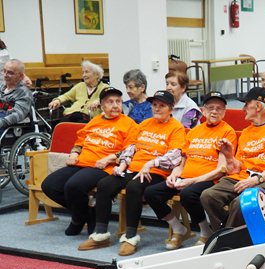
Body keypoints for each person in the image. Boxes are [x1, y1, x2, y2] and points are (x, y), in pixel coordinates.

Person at [77, 90, 185, 256]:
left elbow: (175, 155)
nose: (157, 108)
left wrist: (151, 163)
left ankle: (130, 236)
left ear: (171, 108)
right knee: (105, 184)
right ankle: (100, 234)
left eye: (162, 105)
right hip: (134, 168)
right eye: (154, 105)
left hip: (157, 172)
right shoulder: (145, 124)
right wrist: (122, 165)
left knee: (134, 187)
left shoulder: (176, 127)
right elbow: (131, 147)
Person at [144, 91, 238, 249]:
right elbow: (183, 159)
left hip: (209, 179)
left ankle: (205, 232)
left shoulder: (227, 132)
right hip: (185, 178)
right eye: (211, 108)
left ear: (224, 112)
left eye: (219, 108)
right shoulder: (194, 131)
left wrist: (191, 181)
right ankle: (178, 228)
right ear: (203, 110)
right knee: (151, 193)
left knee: (188, 194)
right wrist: (175, 174)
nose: (214, 111)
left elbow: (221, 170)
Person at [41, 87, 139, 237]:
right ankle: (86, 214)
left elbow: (131, 150)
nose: (115, 105)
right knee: (49, 185)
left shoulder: (129, 124)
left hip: (103, 166)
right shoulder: (95, 120)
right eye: (110, 102)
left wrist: (109, 158)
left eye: (118, 101)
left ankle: (77, 220)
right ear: (102, 105)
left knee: (73, 186)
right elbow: (80, 140)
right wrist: (74, 153)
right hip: (81, 162)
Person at [199, 87, 265, 232]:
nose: (243, 109)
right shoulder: (246, 131)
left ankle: (227, 238)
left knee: (241, 203)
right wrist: (229, 155)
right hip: (241, 177)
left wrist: (256, 179)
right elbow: (236, 169)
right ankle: (229, 234)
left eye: (246, 104)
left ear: (258, 106)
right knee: (208, 196)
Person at [0, 59, 34, 132]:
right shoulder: (1, 87)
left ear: (21, 76)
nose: (5, 75)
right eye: (4, 71)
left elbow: (18, 114)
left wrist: (2, 122)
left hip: (9, 124)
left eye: (10, 73)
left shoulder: (23, 93)